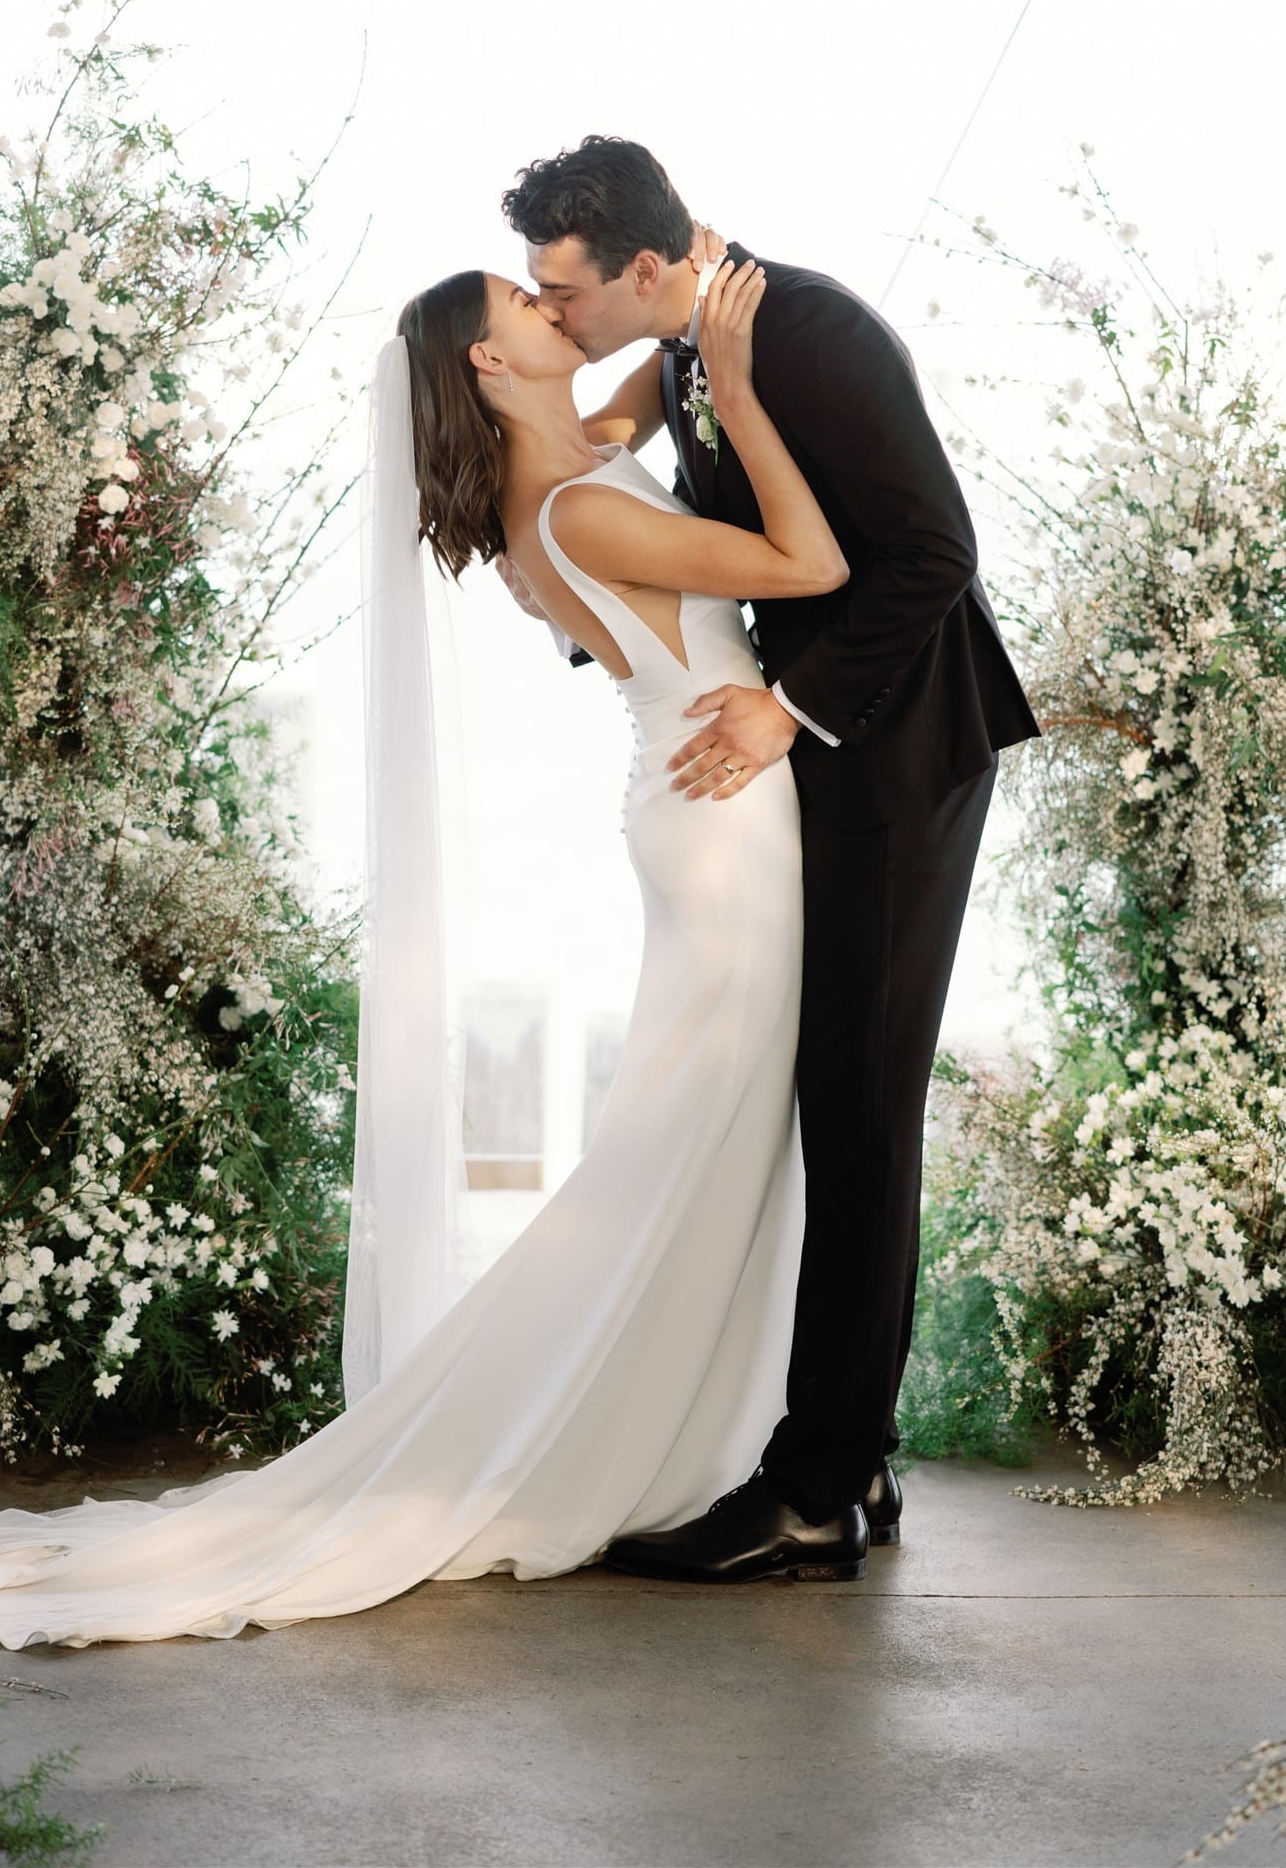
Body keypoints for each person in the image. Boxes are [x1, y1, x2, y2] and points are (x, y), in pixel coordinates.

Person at [0, 251, 880, 1650]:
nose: (552, 308)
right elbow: (815, 564)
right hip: (727, 832)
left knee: (693, 1149)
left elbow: (610, 413)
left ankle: (723, 1434)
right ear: (490, 365)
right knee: (687, 1154)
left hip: (693, 810)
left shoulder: (537, 498)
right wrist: (727, 378)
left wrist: (667, 373)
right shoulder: (583, 511)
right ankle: (634, 1437)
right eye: (522, 305)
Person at [499, 137, 1042, 1583]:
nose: (551, 315)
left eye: (565, 294)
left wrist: (786, 710)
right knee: (833, 1104)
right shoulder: (689, 340)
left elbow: (934, 552)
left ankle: (812, 1492)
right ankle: (850, 1454)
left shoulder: (808, 331)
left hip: (894, 756)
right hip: (818, 764)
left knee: (860, 1112)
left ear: (653, 267)